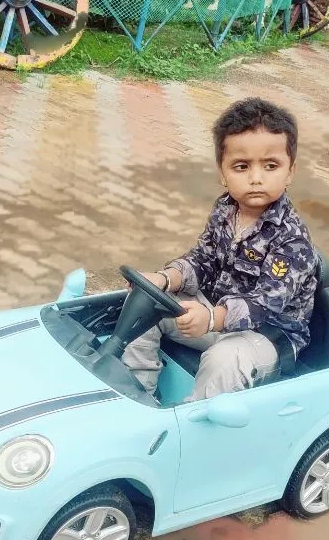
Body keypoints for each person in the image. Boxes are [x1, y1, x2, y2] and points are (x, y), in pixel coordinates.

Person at [123, 97, 318, 401]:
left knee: (223, 361)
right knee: (144, 304)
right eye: (241, 167)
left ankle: (194, 425)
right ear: (222, 173)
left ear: (290, 171)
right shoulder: (224, 210)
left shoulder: (292, 240)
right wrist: (165, 279)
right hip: (214, 313)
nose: (256, 178)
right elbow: (203, 259)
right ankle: (137, 394)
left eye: (271, 166)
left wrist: (212, 319)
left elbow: (265, 304)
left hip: (266, 337)